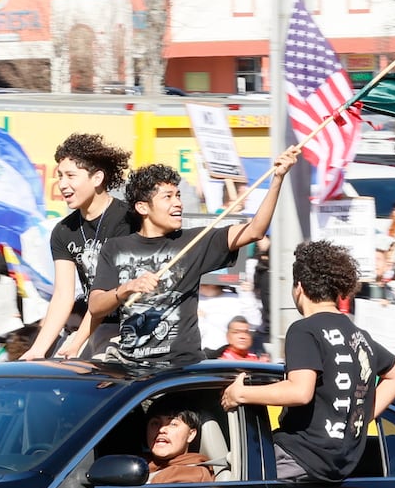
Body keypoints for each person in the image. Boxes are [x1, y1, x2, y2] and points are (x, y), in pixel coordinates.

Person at [89, 147, 301, 369]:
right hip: (132, 367)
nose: (178, 203)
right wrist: (127, 288)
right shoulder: (115, 248)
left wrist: (277, 178)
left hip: (181, 368)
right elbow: (96, 306)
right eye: (168, 197)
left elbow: (255, 230)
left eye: (178, 195)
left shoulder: (195, 240)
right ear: (142, 207)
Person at [220, 240, 395, 483]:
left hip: (300, 457)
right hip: (341, 463)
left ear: (298, 287)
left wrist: (241, 394)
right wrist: (360, 417)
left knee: (223, 486)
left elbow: (300, 391)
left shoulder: (304, 330)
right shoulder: (359, 336)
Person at [23, 133, 136, 361]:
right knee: (52, 377)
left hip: (129, 327)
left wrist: (77, 342)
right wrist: (38, 349)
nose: (62, 184)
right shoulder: (63, 231)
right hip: (91, 326)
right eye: (60, 176)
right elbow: (63, 295)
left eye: (70, 176)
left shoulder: (127, 220)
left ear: (97, 178)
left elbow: (107, 295)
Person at [144, 408, 214, 484]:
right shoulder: (139, 463)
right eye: (155, 423)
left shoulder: (193, 474)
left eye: (173, 424)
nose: (161, 430)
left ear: (190, 434)